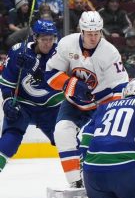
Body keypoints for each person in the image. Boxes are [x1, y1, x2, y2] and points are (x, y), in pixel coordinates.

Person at [44, 11, 129, 187]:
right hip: (74, 102)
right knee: (61, 132)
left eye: (96, 33)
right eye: (89, 33)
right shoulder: (67, 44)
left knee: (98, 141)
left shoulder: (110, 52)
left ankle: (102, 180)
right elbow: (50, 74)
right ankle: (75, 182)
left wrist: (112, 112)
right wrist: (71, 84)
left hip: (102, 103)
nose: (93, 37)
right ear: (81, 31)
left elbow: (120, 86)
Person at [0, 20, 62, 173]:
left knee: (66, 141)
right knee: (10, 139)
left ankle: (81, 177)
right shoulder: (17, 52)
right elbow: (7, 82)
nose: (48, 43)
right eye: (44, 39)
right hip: (23, 104)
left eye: (51, 39)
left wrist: (35, 67)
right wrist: (8, 102)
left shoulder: (62, 53)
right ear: (35, 38)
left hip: (51, 107)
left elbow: (60, 81)